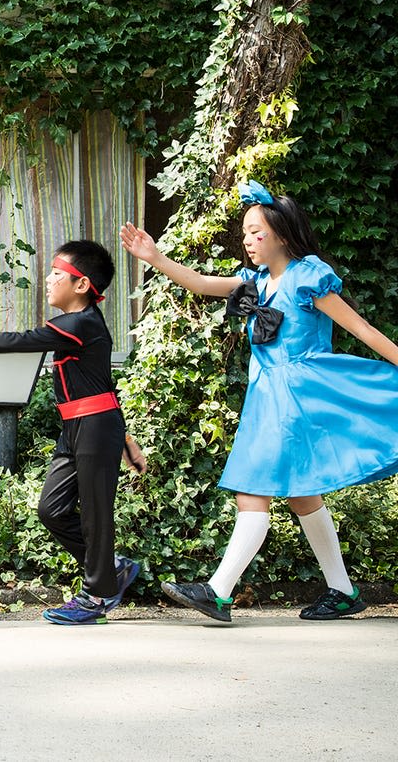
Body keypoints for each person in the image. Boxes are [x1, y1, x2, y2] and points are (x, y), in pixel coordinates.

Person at [121, 180, 398, 622]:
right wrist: (155, 257)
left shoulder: (308, 277)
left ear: (282, 235)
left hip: (298, 395)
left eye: (257, 233)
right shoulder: (254, 282)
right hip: (268, 394)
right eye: (246, 233)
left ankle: (218, 590)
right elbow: (202, 283)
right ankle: (343, 591)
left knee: (254, 490)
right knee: (303, 496)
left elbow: (361, 329)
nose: (248, 241)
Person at [0, 241, 146, 626]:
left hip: (95, 426)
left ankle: (96, 595)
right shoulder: (77, 326)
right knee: (51, 509)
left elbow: (22, 341)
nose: (47, 280)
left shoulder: (80, 323)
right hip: (80, 426)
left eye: (56, 274)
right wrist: (127, 438)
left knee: (96, 515)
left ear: (80, 285)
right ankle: (110, 568)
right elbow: (102, 380)